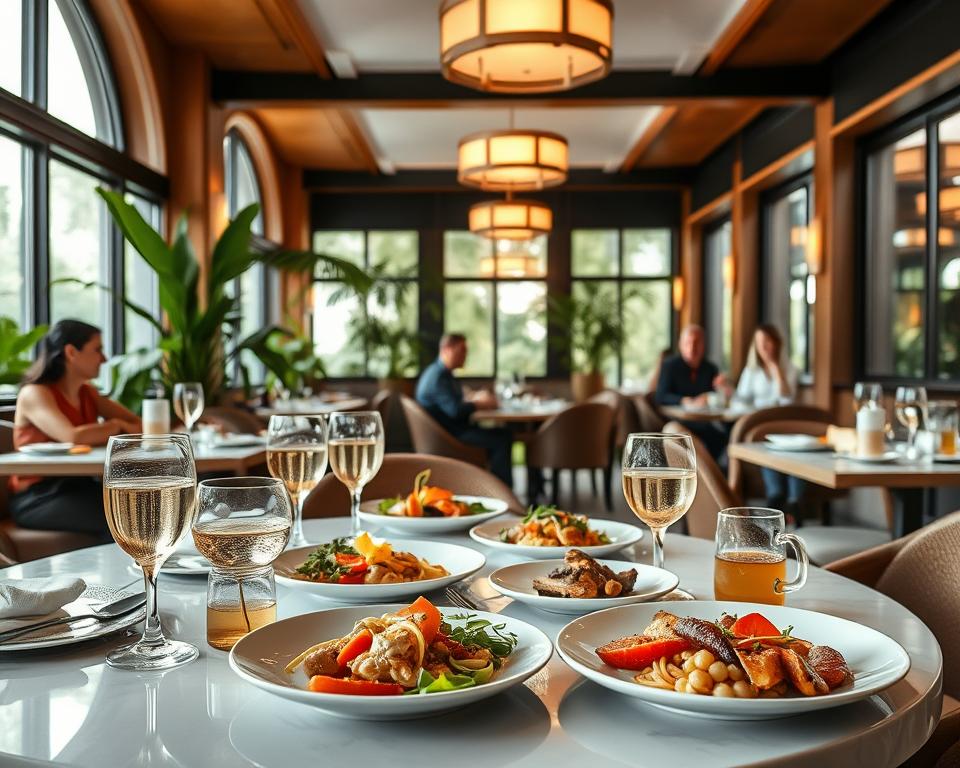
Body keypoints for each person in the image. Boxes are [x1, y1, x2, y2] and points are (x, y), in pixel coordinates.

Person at [10, 320, 142, 540]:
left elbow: (139, 426)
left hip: (79, 486)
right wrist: (116, 427)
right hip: (38, 497)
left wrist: (116, 428)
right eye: (97, 349)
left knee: (140, 505)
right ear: (71, 352)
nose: (104, 359)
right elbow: (72, 436)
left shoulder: (88, 393)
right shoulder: (34, 393)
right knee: (120, 517)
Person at [415, 333, 514, 487]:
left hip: (451, 431)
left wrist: (473, 397)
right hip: (451, 437)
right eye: (462, 350)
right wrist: (481, 404)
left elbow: (453, 401)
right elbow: (456, 411)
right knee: (503, 438)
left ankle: (500, 490)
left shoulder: (441, 373)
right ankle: (503, 492)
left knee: (504, 433)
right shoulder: (438, 377)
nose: (465, 355)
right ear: (447, 349)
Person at [736, 324, 804, 514]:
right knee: (765, 445)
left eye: (767, 342)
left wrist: (775, 367)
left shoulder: (790, 369)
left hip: (784, 424)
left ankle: (794, 500)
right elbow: (741, 399)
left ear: (776, 343)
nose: (764, 347)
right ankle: (776, 494)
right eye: (759, 343)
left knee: (792, 450)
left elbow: (787, 399)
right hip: (758, 426)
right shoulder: (752, 371)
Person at [655, 325, 730, 458]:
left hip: (703, 421)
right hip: (675, 421)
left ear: (703, 345)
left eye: (697, 342)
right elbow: (660, 396)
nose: (692, 347)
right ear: (681, 345)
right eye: (688, 342)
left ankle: (708, 474)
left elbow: (717, 396)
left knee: (723, 436)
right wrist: (684, 400)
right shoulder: (669, 366)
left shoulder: (710, 368)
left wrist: (722, 389)